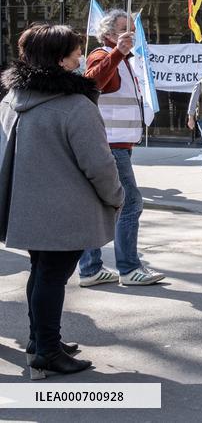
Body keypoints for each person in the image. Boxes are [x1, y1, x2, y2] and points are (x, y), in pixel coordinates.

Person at [0, 24, 124, 377]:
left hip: (25, 208)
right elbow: (99, 165)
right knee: (52, 276)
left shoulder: (12, 99)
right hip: (65, 210)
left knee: (40, 272)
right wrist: (117, 197)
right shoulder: (74, 105)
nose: (81, 58)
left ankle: (40, 341)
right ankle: (48, 351)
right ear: (60, 60)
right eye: (75, 53)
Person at [77, 9, 165, 287]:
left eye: (131, 30)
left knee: (100, 204)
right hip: (112, 145)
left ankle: (91, 269)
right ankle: (129, 268)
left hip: (116, 144)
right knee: (130, 203)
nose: (130, 35)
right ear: (108, 35)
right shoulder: (104, 55)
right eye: (123, 30)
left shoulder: (122, 60)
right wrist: (117, 53)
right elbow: (91, 82)